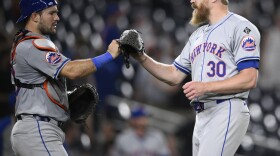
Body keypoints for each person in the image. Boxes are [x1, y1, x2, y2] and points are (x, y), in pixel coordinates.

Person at [129, 0, 260, 155]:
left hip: (226, 108)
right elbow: (173, 75)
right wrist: (141, 57)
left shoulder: (241, 27)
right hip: (201, 115)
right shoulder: (197, 35)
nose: (191, 1)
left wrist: (205, 87)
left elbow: (249, 78)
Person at [10, 0, 120, 155]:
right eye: (51, 13)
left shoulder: (26, 44)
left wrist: (63, 100)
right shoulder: (33, 45)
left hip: (35, 129)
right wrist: (110, 55)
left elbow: (39, 87)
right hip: (38, 130)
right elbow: (72, 70)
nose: (57, 18)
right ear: (35, 16)